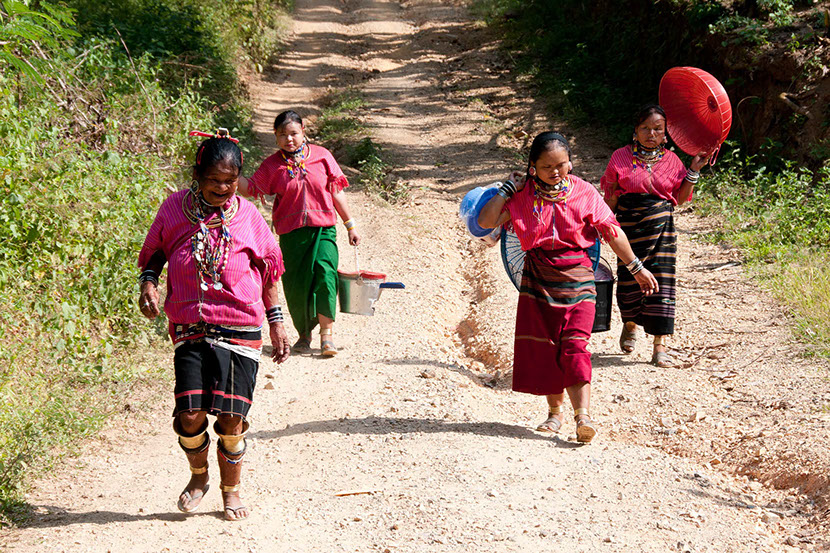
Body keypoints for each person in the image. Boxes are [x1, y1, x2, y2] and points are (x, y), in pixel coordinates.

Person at [138, 130, 291, 521]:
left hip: (240, 329)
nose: (223, 188)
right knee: (189, 415)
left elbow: (268, 270)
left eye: (230, 180)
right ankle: (198, 476)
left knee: (230, 419)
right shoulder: (174, 210)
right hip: (190, 327)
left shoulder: (249, 216)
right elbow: (155, 253)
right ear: (197, 175)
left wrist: (276, 322)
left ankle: (231, 489)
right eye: (214, 180)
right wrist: (149, 284)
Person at [478, 132, 658, 443]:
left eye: (561, 165)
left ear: (570, 163)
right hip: (538, 279)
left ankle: (582, 417)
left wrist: (636, 267)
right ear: (532, 167)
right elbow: (486, 220)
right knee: (548, 347)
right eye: (547, 167)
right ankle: (554, 413)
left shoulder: (584, 192)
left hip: (579, 279)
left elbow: (612, 231)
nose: (555, 172)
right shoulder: (522, 196)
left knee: (575, 346)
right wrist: (508, 189)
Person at [238, 110, 360, 357]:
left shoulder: (322, 156)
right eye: (283, 135)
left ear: (303, 131)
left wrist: (350, 225)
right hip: (291, 235)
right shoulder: (272, 165)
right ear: (275, 136)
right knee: (297, 286)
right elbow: (251, 188)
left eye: (293, 133)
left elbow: (336, 191)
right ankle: (304, 335)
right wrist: (230, 171)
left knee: (326, 274)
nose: (289, 139)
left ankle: (327, 335)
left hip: (323, 229)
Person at [600, 105, 711, 367]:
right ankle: (630, 323)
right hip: (629, 230)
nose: (651, 134)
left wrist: (694, 170)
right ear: (635, 131)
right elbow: (611, 196)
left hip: (662, 232)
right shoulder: (620, 157)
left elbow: (680, 198)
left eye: (658, 129)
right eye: (645, 128)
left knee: (662, 283)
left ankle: (659, 345)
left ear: (665, 133)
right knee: (629, 282)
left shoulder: (672, 161)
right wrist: (603, 225)